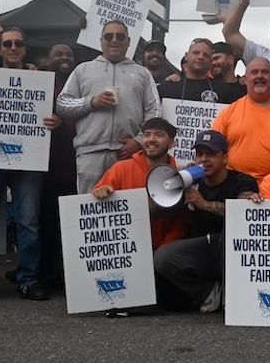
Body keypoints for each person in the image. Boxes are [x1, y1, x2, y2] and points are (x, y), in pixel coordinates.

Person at [0, 26, 60, 302]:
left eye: (18, 43)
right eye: (8, 44)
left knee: (28, 223)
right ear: (0, 49)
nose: (13, 48)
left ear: (25, 49)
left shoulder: (39, 80)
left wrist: (57, 121)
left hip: (28, 160)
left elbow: (55, 115)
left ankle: (28, 280)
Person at [153, 130, 259, 312]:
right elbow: (155, 211)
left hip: (233, 248)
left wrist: (205, 204)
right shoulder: (191, 181)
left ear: (225, 158)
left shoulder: (243, 181)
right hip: (201, 249)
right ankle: (209, 291)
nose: (203, 159)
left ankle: (233, 294)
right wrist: (176, 183)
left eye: (211, 154)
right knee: (162, 258)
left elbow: (244, 212)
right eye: (200, 154)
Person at [56, 20, 161, 195]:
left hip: (128, 154)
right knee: (90, 212)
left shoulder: (142, 73)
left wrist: (139, 140)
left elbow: (155, 110)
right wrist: (91, 102)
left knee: (128, 211)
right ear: (101, 40)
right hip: (91, 153)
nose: (114, 40)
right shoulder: (83, 70)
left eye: (120, 37)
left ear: (128, 42)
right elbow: (62, 103)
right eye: (109, 36)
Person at [89, 117, 190, 250]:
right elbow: (95, 207)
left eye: (159, 135)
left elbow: (180, 224)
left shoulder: (181, 178)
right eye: (147, 134)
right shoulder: (120, 169)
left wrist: (162, 252)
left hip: (159, 257)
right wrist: (99, 192)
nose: (151, 139)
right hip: (124, 252)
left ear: (171, 143)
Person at [39, 42, 79, 289]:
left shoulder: (80, 83)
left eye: (69, 54)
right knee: (45, 222)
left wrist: (63, 122)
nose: (65, 57)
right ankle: (44, 273)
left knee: (71, 223)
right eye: (59, 53)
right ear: (48, 57)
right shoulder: (38, 81)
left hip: (73, 164)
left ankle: (69, 276)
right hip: (44, 166)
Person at [157, 38, 243, 104]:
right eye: (196, 53)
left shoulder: (226, 92)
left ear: (210, 61)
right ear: (187, 56)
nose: (201, 57)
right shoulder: (166, 88)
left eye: (206, 55)